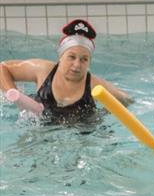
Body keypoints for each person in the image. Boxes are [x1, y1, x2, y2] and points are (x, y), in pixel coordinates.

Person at [0, 19, 131, 123]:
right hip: (43, 132)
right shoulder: (43, 70)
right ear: (60, 57)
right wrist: (15, 96)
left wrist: (100, 115)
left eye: (84, 59)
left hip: (82, 135)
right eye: (71, 57)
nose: (77, 65)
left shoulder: (94, 85)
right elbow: (3, 68)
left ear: (89, 62)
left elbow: (125, 100)